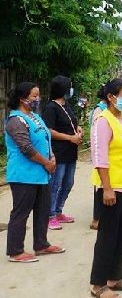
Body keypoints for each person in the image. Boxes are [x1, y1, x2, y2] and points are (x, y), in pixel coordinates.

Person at [89, 79, 122, 296]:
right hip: (113, 187)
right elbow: (100, 157)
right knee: (108, 236)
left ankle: (115, 277)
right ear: (111, 97)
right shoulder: (103, 121)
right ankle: (98, 284)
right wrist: (107, 188)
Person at [5, 82, 65, 263]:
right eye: (34, 96)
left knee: (42, 210)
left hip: (41, 174)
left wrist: (52, 157)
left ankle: (41, 244)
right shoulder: (16, 120)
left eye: (38, 95)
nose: (38, 99)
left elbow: (45, 138)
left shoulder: (35, 117)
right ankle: (15, 251)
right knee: (21, 213)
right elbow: (26, 147)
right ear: (22, 99)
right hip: (24, 175)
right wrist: (46, 163)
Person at [42, 75, 82, 230]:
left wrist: (78, 130)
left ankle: (58, 210)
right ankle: (49, 215)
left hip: (71, 152)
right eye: (69, 86)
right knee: (55, 184)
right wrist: (70, 138)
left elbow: (71, 122)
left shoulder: (66, 105)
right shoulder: (51, 108)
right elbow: (49, 131)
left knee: (68, 183)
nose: (71, 90)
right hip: (58, 151)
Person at [90, 83, 111, 231]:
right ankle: (96, 218)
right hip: (101, 154)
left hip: (112, 156)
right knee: (100, 187)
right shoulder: (99, 111)